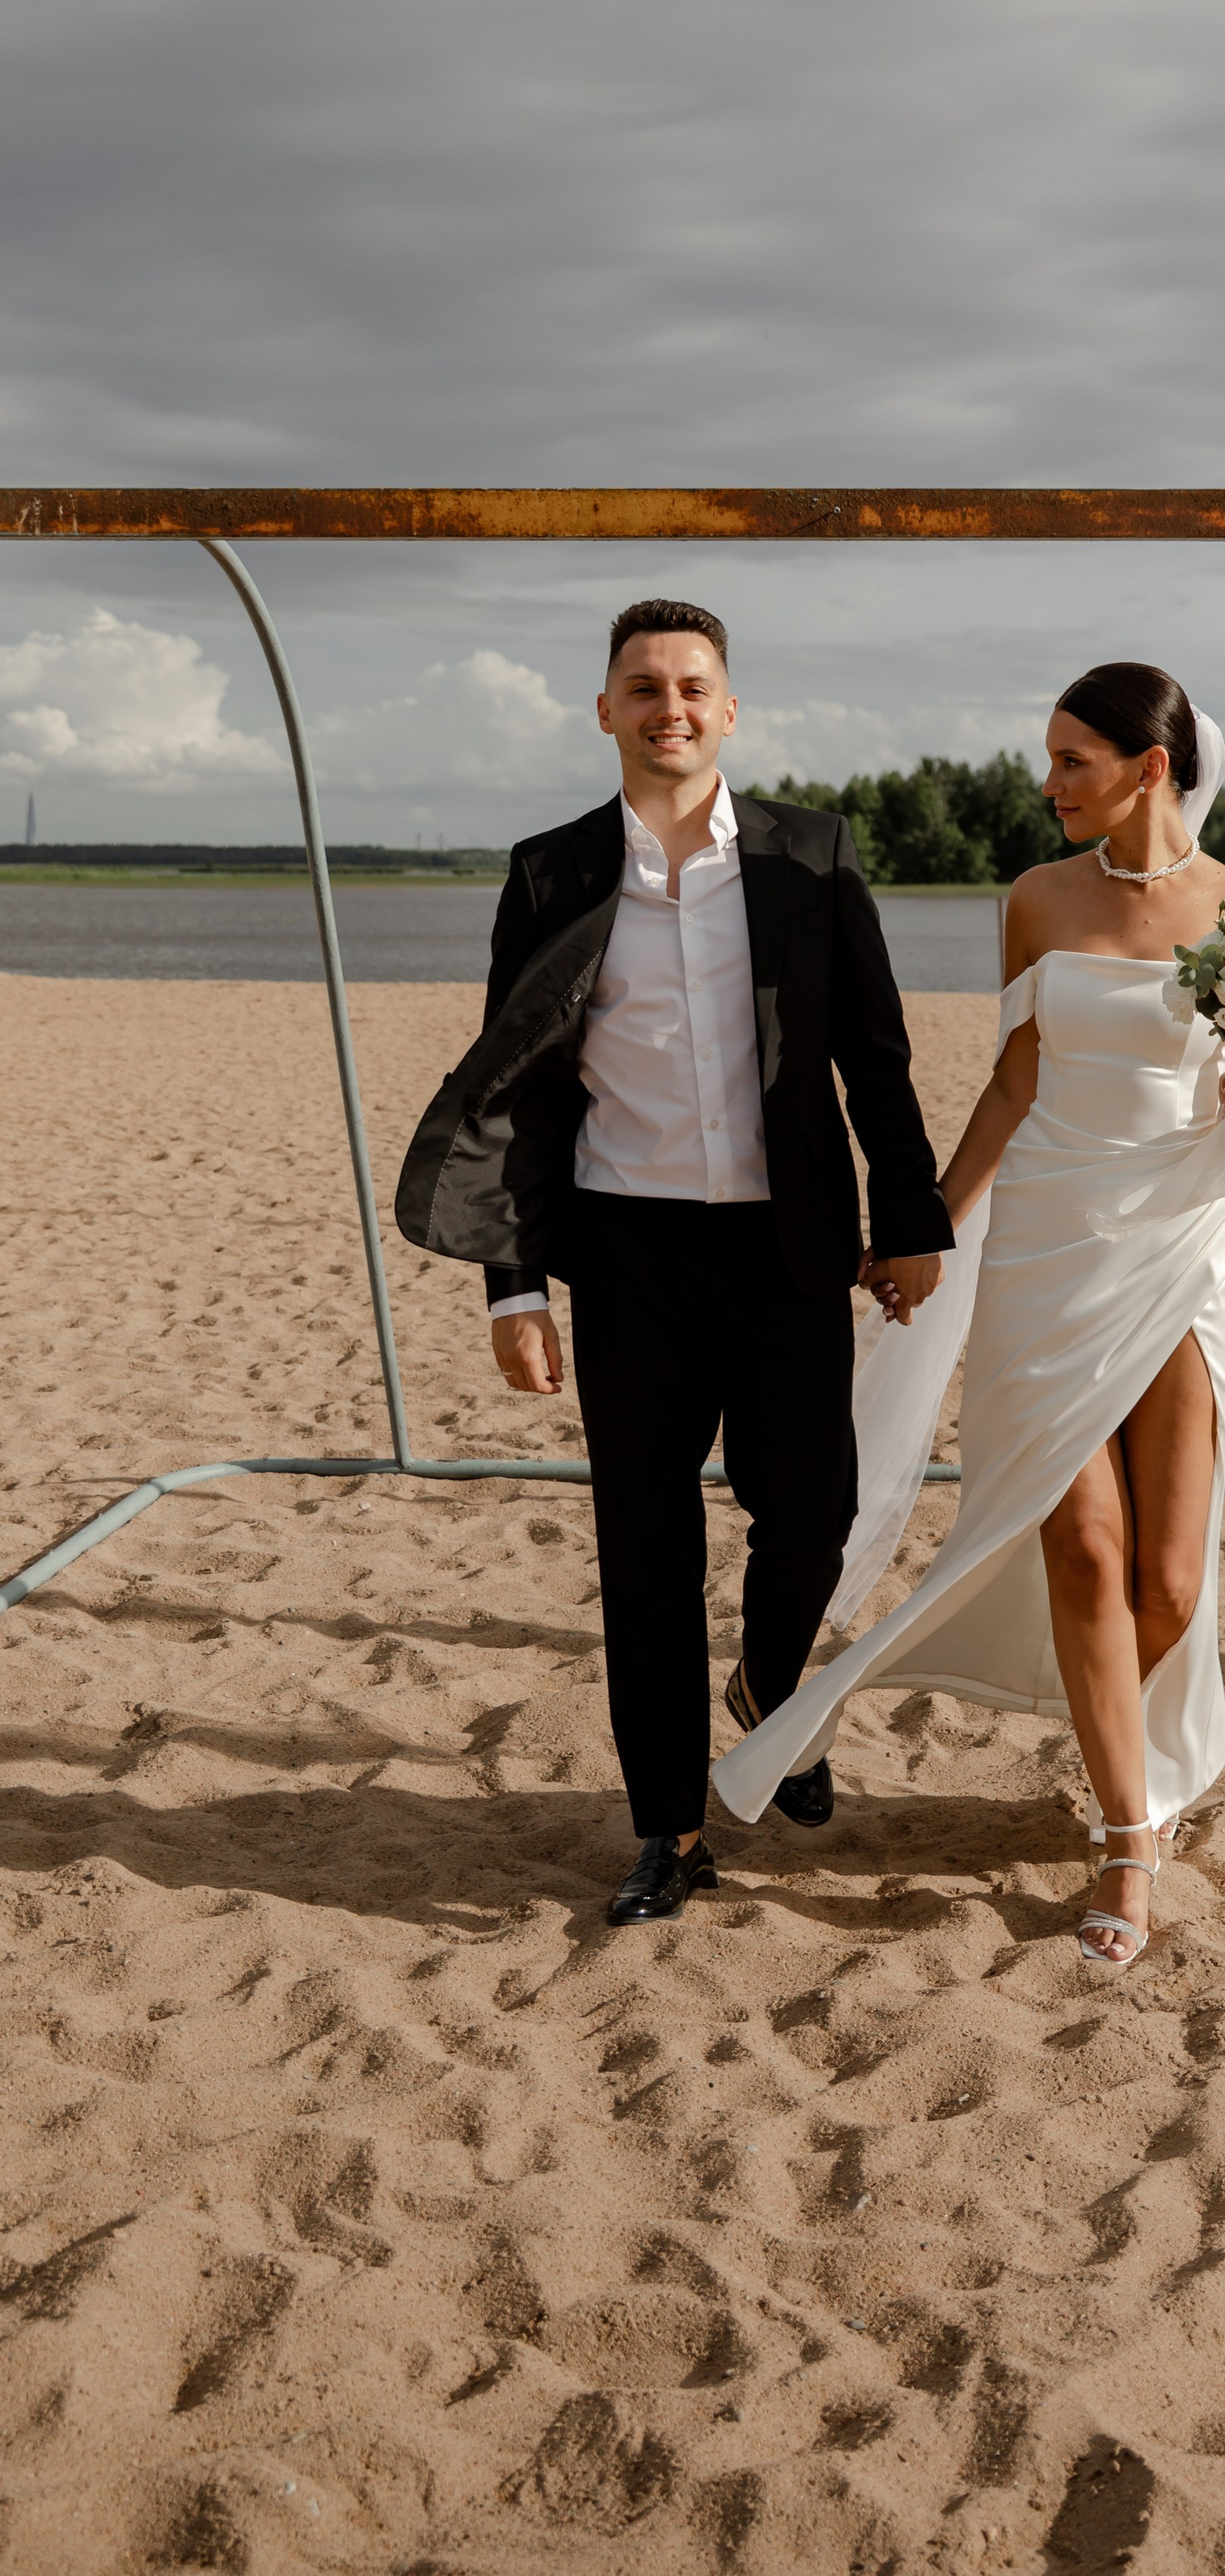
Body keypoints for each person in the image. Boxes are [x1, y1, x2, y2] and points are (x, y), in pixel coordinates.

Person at [712, 664, 1225, 1968]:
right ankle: (1125, 1843)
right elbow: (1015, 1076)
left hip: (1192, 1255)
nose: (1049, 785)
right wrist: (928, 1225)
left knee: (1169, 1579)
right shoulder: (1036, 899)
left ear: (1151, 770)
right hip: (1049, 1249)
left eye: (1074, 762)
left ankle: (1094, 1745)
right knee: (1083, 1551)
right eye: (1051, 759)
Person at [395, 599, 953, 1924]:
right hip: (628, 1252)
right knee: (644, 1551)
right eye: (643, 687)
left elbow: (873, 1057)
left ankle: (768, 1689)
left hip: (790, 1250)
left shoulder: (811, 859)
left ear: (730, 708)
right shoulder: (549, 873)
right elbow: (515, 1091)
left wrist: (913, 1218)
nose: (671, 709)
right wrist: (515, 1285)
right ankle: (670, 1834)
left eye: (694, 687)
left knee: (810, 1512)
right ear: (605, 711)